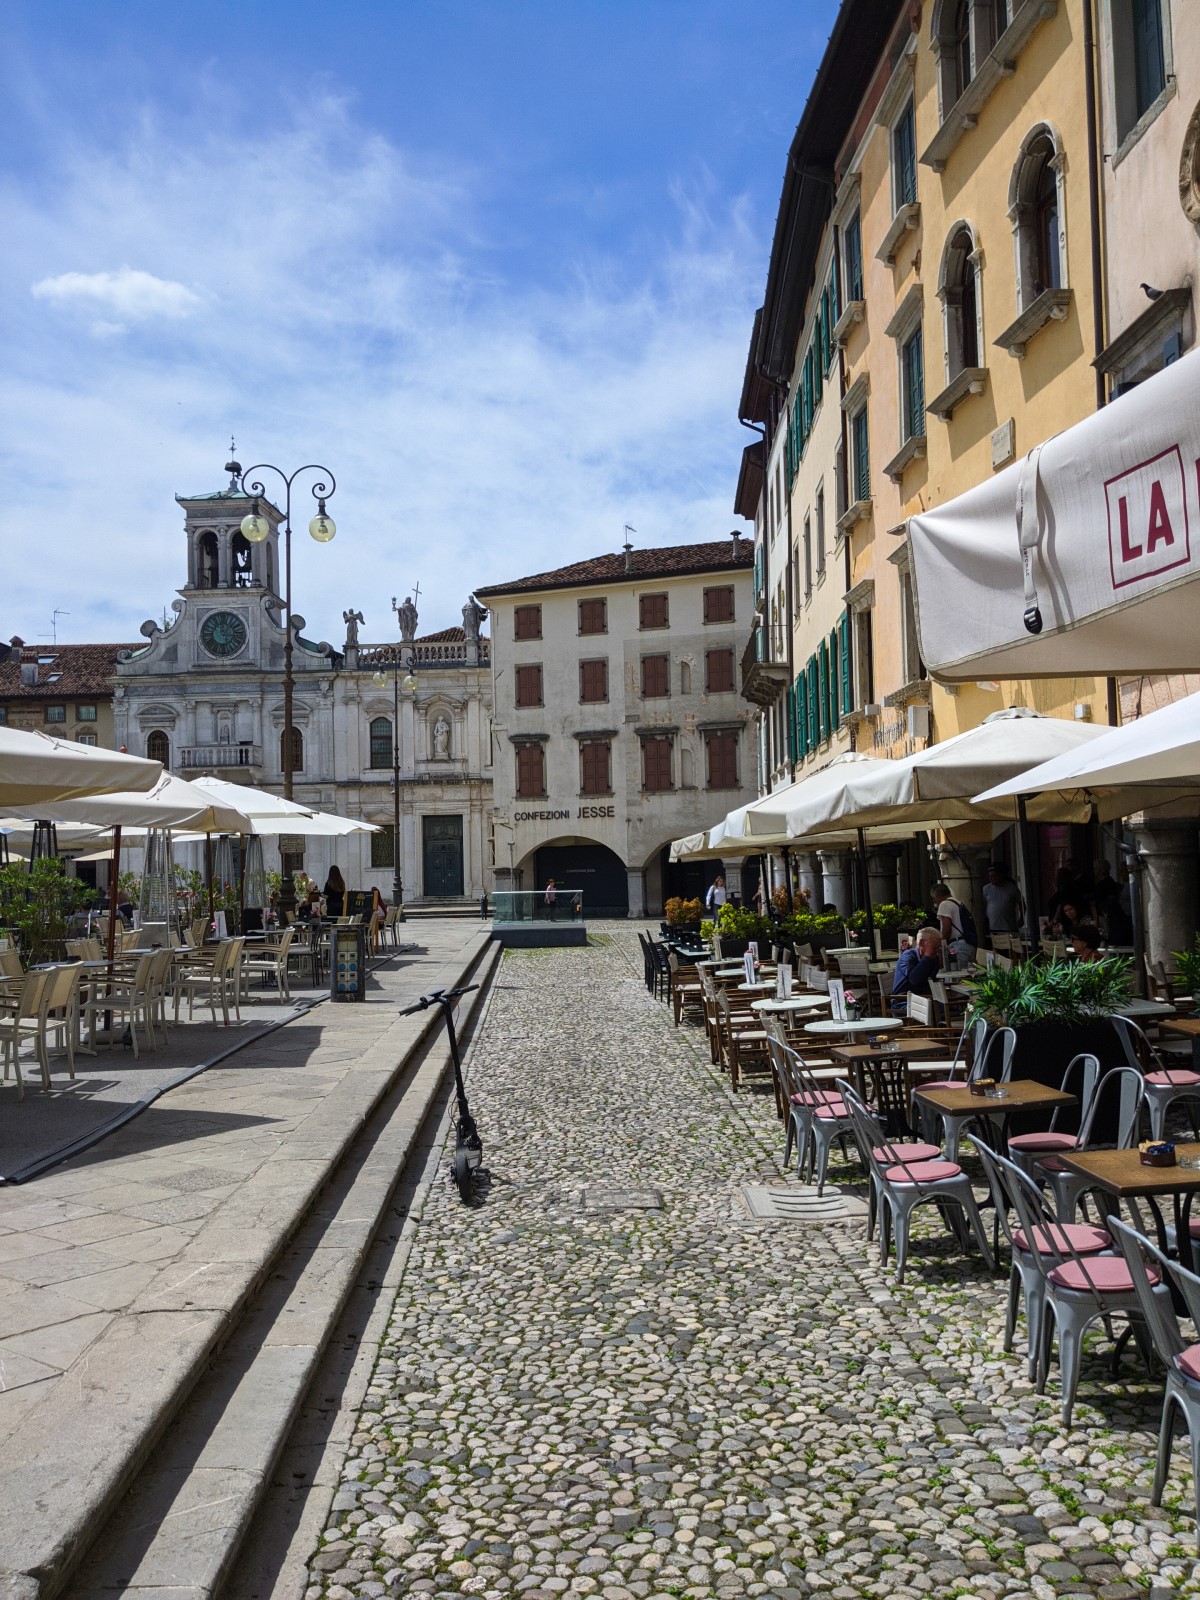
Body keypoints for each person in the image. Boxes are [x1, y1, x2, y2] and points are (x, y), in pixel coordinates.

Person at [891, 927, 943, 1013]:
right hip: (904, 1003)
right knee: (938, 1011)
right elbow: (914, 980)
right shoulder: (907, 956)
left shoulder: (932, 958)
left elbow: (931, 980)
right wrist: (928, 956)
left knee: (951, 1009)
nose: (938, 948)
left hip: (923, 1000)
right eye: (935, 944)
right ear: (922, 943)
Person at [933, 881, 977, 967]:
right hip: (969, 945)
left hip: (958, 946)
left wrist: (941, 945)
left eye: (934, 897)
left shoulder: (944, 904)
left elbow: (946, 928)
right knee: (966, 977)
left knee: (957, 976)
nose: (934, 901)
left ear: (938, 895)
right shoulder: (958, 903)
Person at [983, 862, 1024, 939]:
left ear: (1000, 875)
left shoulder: (1012, 888)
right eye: (989, 876)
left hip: (1009, 928)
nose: (990, 878)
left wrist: (1021, 918)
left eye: (993, 876)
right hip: (992, 928)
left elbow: (1021, 903)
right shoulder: (986, 889)